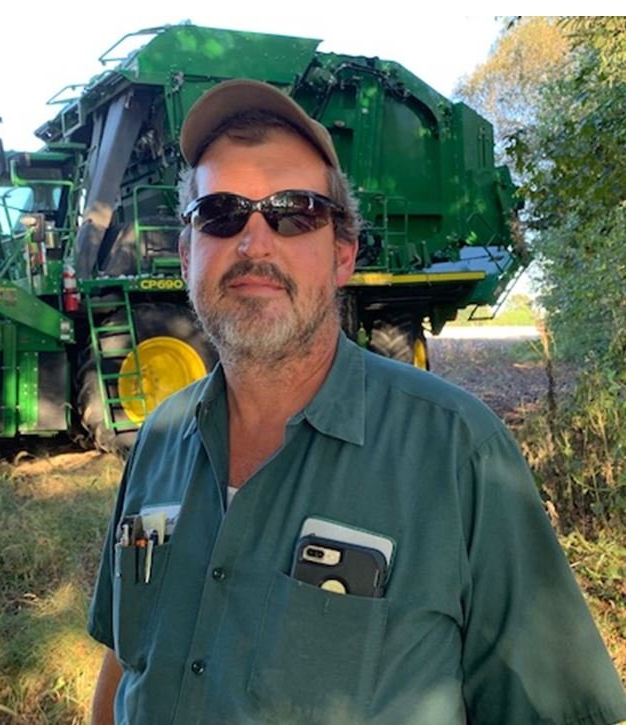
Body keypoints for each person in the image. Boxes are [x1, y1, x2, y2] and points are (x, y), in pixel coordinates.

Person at [88, 79, 626, 725]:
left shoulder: (458, 452)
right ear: (186, 254)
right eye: (220, 213)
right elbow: (125, 662)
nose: (254, 243)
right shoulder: (158, 438)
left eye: (294, 212)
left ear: (342, 255)